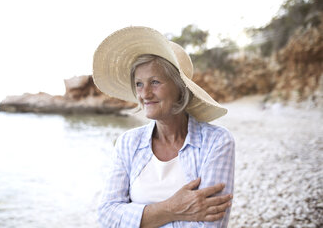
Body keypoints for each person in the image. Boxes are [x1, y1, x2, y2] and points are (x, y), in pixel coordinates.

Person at [93, 26, 235, 228]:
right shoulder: (128, 142)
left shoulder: (216, 141)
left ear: (179, 87)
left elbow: (210, 224)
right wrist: (172, 208)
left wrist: (138, 217)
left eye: (155, 82)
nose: (145, 94)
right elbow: (106, 216)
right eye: (139, 84)